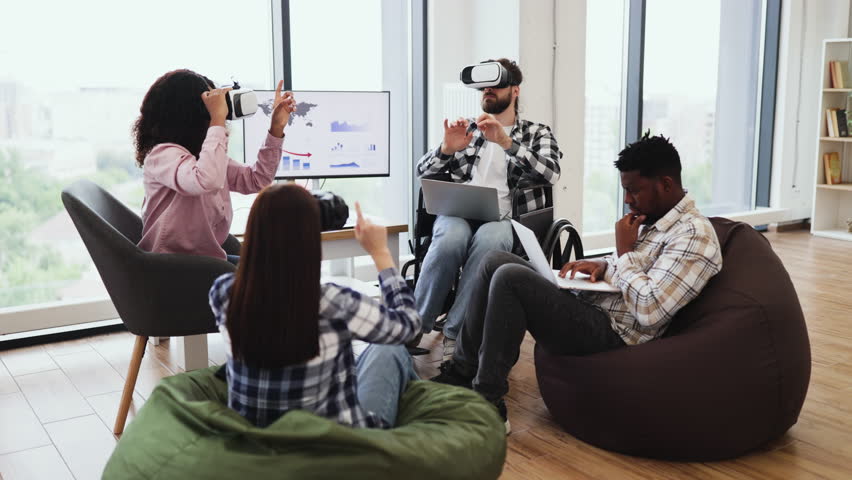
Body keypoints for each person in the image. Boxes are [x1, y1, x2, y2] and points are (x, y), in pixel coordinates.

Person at [431, 133, 723, 434]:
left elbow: (650, 310)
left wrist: (622, 255)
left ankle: (487, 401)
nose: (627, 200)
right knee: (495, 260)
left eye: (634, 191)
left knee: (510, 278)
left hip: (615, 333)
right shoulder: (652, 220)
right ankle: (461, 373)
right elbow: (638, 273)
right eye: (625, 190)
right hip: (591, 307)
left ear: (665, 183)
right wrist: (605, 265)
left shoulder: (694, 236)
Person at [209, 184, 421, 428]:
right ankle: (410, 440)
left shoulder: (224, 292)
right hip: (335, 444)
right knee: (392, 351)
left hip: (256, 440)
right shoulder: (333, 303)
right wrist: (381, 253)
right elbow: (410, 326)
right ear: (309, 238)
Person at [413, 58, 562, 359]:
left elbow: (551, 172)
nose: (488, 91)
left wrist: (507, 143)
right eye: (484, 87)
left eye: (497, 85)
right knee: (450, 239)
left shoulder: (537, 132)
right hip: (458, 213)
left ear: (515, 91)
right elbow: (422, 170)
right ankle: (413, 325)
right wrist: (446, 149)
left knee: (490, 243)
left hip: (506, 218)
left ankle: (455, 334)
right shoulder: (468, 128)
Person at [134, 69, 296, 264]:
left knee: (272, 269)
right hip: (173, 266)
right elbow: (205, 180)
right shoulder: (162, 155)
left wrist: (276, 129)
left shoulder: (205, 157)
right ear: (190, 112)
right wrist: (217, 120)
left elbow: (257, 180)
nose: (217, 112)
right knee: (264, 278)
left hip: (207, 260)